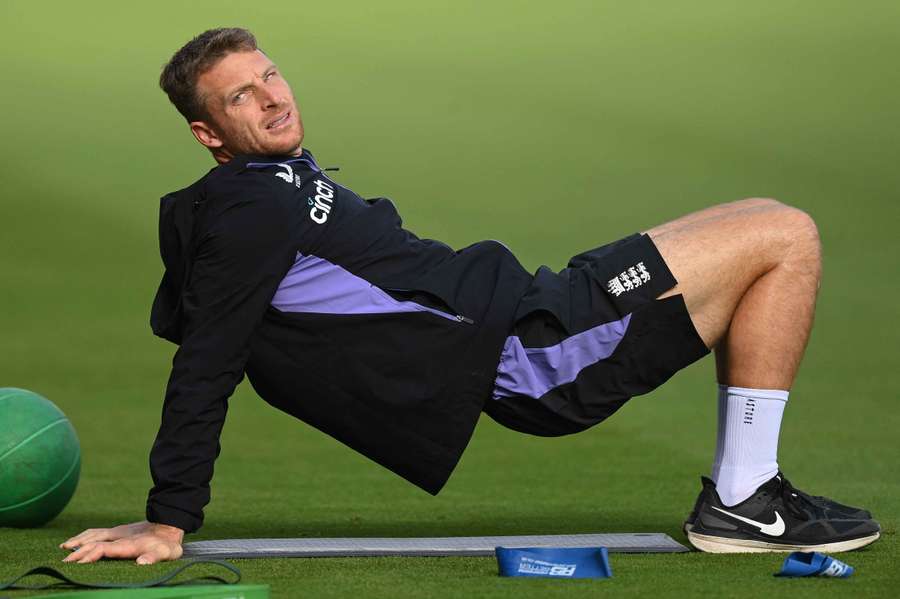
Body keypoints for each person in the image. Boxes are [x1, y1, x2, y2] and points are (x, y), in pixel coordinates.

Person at [60, 28, 879, 565]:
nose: (273, 97)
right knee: (788, 236)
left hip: (538, 302)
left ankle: (745, 492)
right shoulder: (245, 212)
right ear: (208, 134)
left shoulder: (270, 178)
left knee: (765, 221)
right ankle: (744, 497)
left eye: (269, 75)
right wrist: (169, 515)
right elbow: (210, 355)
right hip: (534, 349)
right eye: (242, 96)